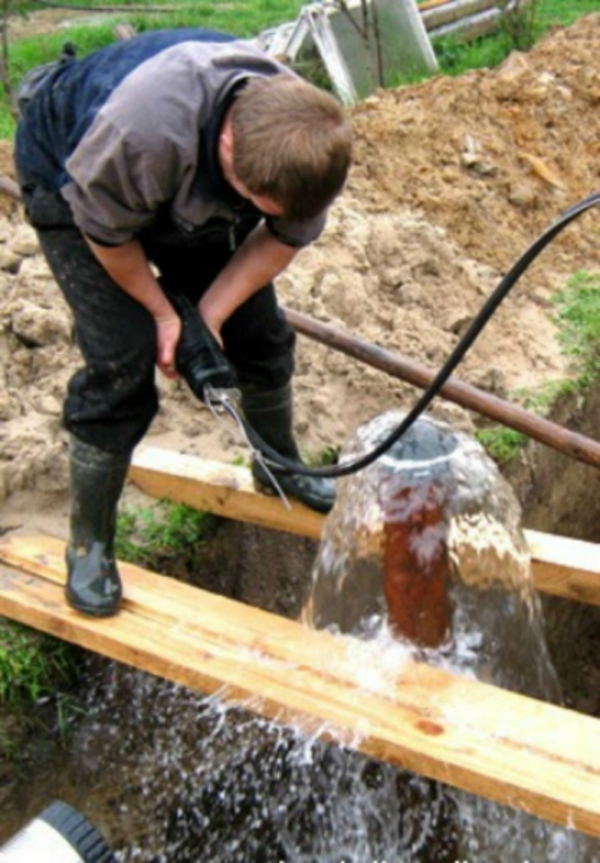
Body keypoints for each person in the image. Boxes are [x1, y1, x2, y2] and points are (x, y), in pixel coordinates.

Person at [14, 28, 353, 618]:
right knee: (120, 359)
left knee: (262, 335)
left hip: (184, 182)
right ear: (227, 145)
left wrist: (212, 316)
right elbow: (108, 235)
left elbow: (278, 239)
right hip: (71, 177)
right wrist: (166, 314)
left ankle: (276, 466)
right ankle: (89, 542)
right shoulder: (143, 134)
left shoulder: (311, 148)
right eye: (254, 199)